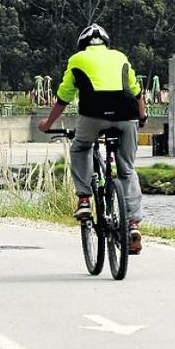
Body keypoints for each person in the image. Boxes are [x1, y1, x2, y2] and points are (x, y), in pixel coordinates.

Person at [38, 23, 146, 255]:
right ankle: (133, 226)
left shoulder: (77, 59)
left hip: (93, 115)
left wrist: (48, 124)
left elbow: (63, 97)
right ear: (106, 44)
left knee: (81, 148)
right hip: (127, 116)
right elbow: (136, 92)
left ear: (82, 44)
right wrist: (142, 117)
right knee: (127, 170)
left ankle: (85, 199)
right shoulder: (120, 57)